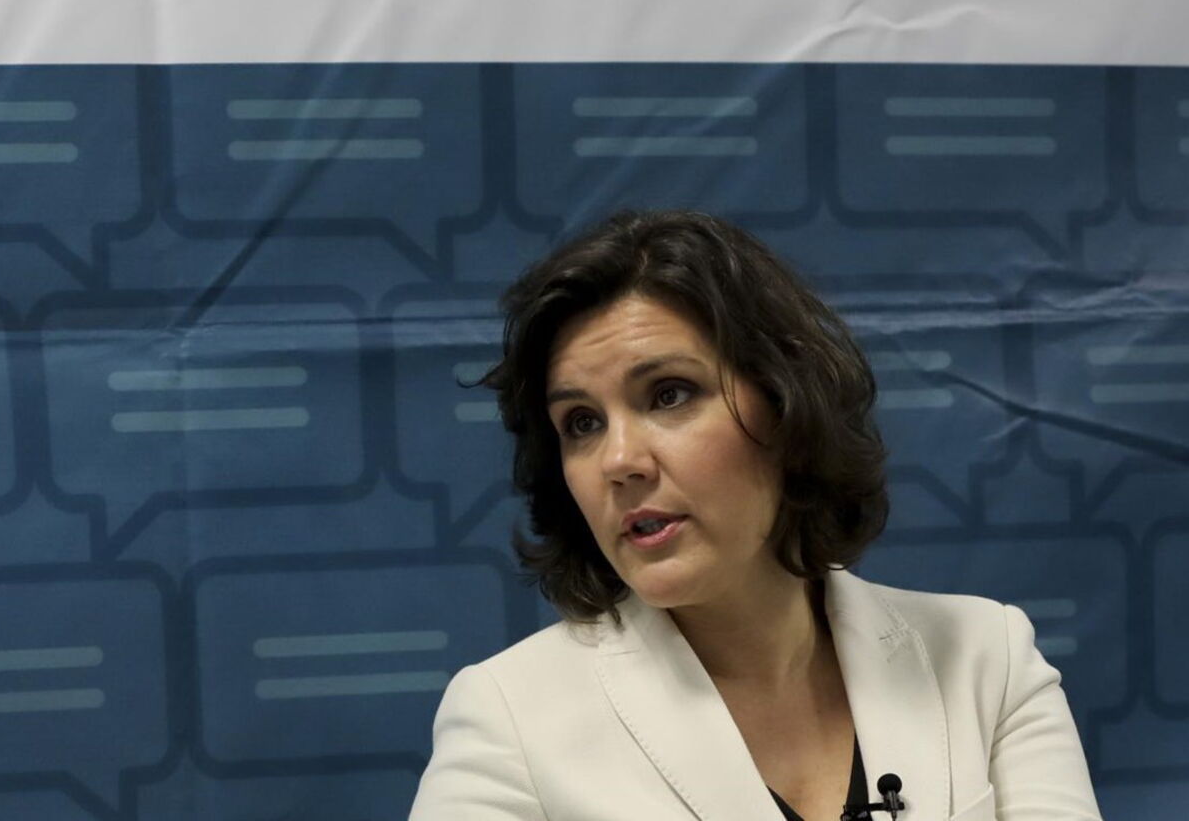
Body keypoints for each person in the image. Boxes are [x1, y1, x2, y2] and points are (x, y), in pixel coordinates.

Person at [408, 210, 1102, 821]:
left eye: (669, 394)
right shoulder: (510, 719)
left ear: (786, 403)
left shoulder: (986, 660)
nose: (619, 460)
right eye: (581, 423)